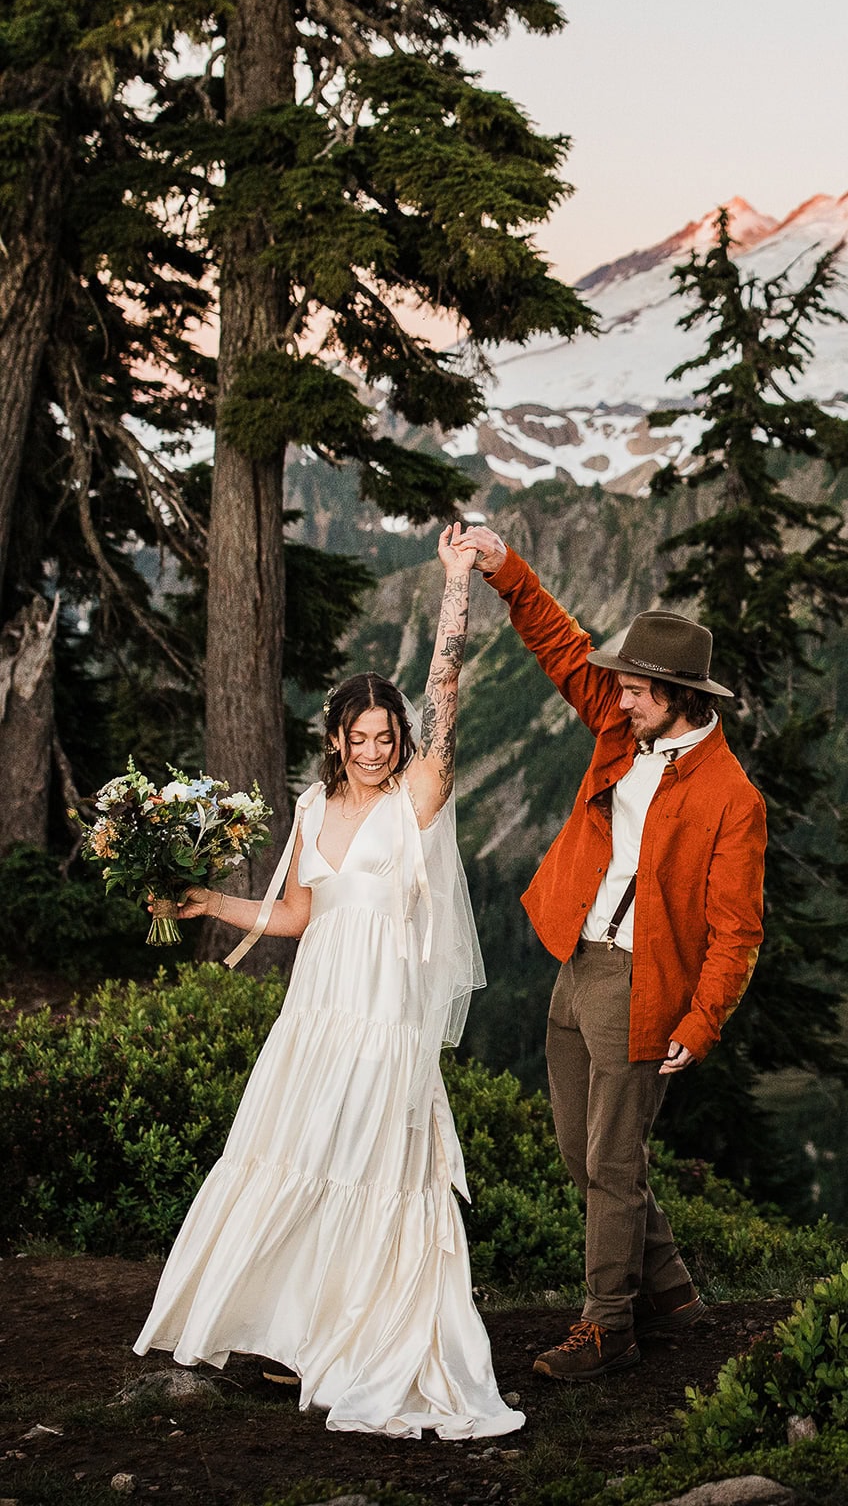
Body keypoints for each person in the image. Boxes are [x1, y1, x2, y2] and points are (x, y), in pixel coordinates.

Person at [133, 526, 523, 1441]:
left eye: (388, 737)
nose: (378, 750)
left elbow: (446, 691)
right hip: (317, 1014)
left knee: (368, 1166)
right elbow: (298, 917)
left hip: (387, 1018)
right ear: (337, 742)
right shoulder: (312, 808)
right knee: (300, 1151)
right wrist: (211, 903)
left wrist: (455, 585)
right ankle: (288, 1330)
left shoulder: (418, 797)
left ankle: (354, 1335)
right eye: (363, 738)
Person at [456, 525, 767, 1382]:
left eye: (633, 690)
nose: (617, 698)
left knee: (611, 1163)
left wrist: (701, 1023)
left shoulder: (731, 797)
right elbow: (562, 647)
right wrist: (505, 570)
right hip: (578, 959)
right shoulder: (620, 729)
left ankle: (608, 1327)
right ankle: (670, 1288)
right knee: (580, 1155)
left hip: (642, 983)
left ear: (675, 694)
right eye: (621, 688)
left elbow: (738, 928)